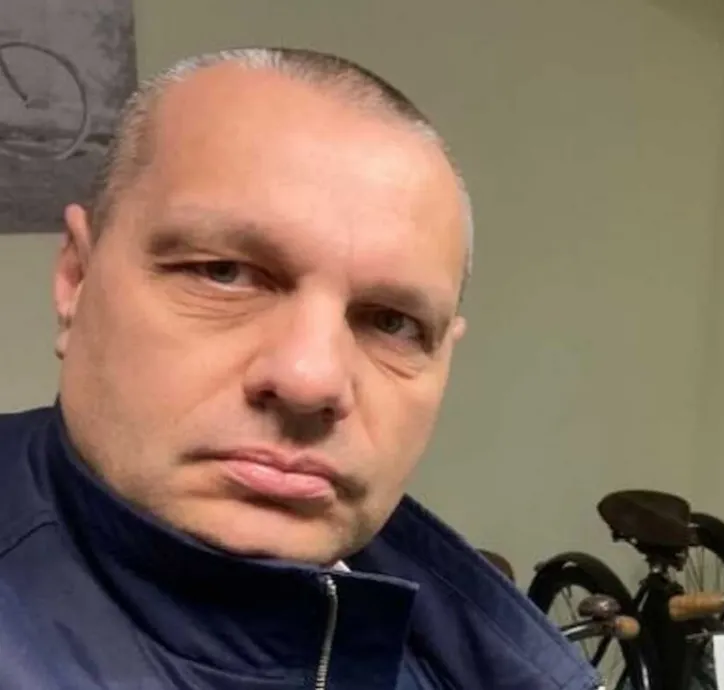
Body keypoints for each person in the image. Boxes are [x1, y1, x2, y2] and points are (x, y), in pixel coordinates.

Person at [0, 46, 599, 689]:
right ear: (77, 278)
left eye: (391, 322)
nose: (310, 379)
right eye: (223, 273)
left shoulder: (479, 655)